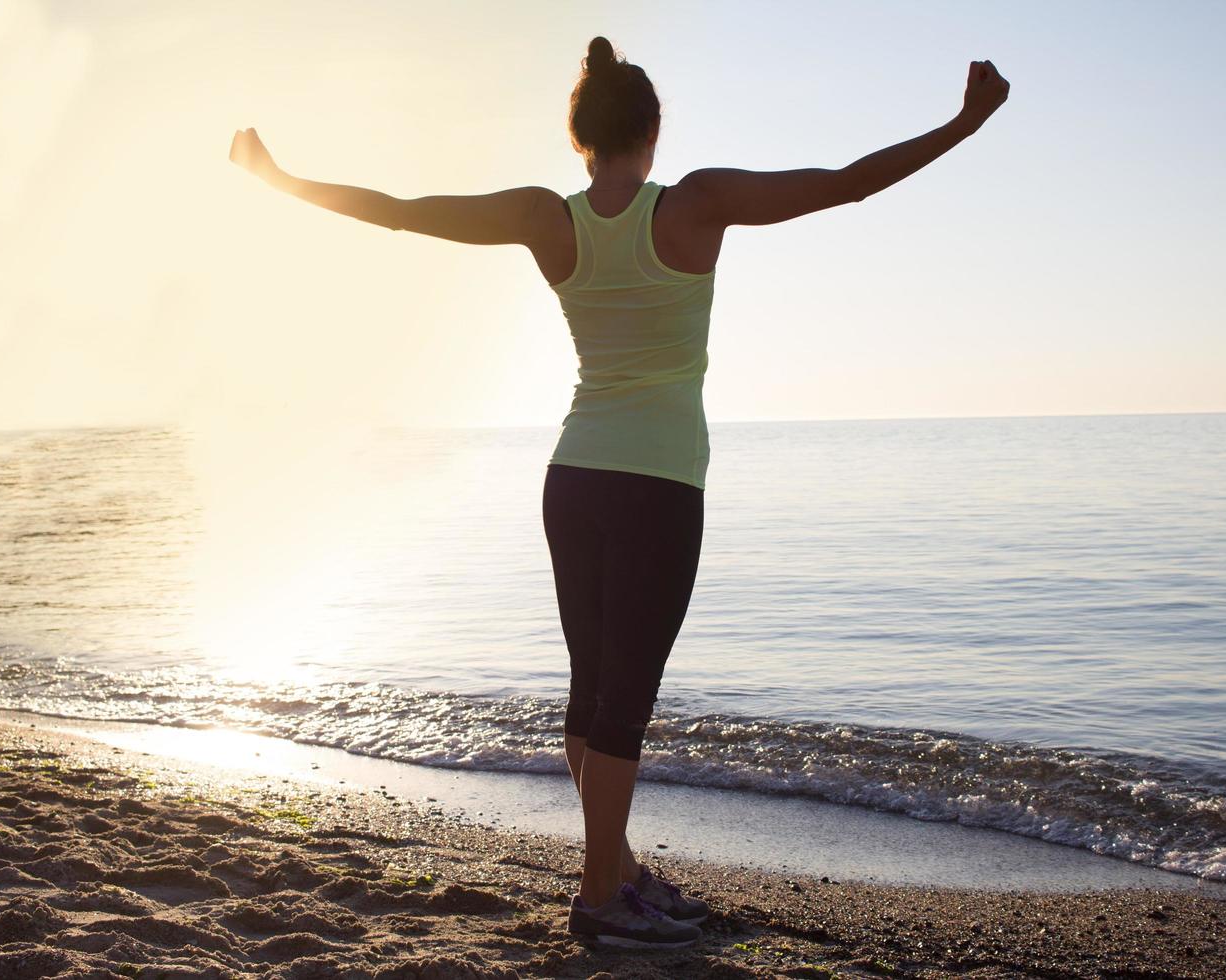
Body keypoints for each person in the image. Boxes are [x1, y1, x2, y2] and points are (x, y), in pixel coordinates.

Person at [229, 36, 1009, 951]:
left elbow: (403, 212)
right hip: (659, 483)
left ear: (579, 138)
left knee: (592, 693)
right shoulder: (699, 204)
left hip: (573, 476)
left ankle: (619, 870)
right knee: (624, 701)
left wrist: (278, 180)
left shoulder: (541, 217)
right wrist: (966, 121)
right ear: (652, 130)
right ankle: (602, 895)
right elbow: (847, 181)